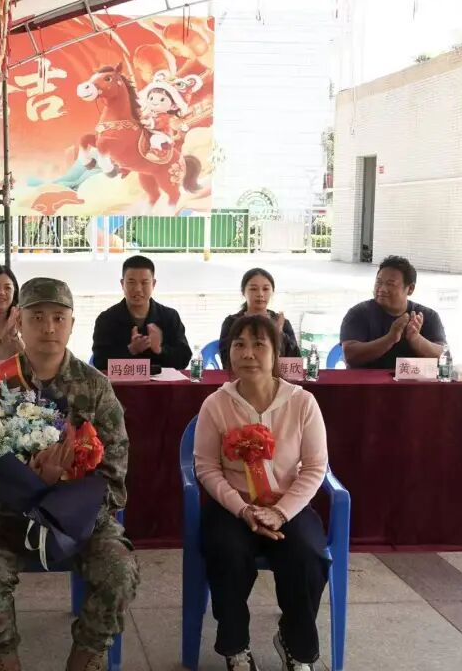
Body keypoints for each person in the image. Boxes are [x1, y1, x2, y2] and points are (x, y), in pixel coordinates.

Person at [0, 277, 140, 671]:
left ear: (72, 324)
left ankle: (84, 658)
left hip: (79, 518)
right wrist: (24, 478)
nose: (49, 327)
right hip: (9, 515)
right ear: (19, 323)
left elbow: (114, 470)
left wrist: (63, 486)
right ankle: (5, 663)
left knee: (120, 572)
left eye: (59, 317)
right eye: (37, 317)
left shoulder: (96, 388)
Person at [194, 315, 329, 671]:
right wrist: (242, 509)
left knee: (307, 556)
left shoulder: (303, 403)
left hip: (287, 506)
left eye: (258, 345)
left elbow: (315, 468)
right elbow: (206, 467)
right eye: (239, 345)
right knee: (227, 553)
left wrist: (281, 512)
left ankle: (295, 646)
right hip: (232, 507)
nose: (248, 354)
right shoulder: (216, 404)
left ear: (276, 353)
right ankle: (236, 647)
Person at [340, 255, 446, 370]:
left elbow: (443, 356)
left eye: (390, 284)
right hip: (366, 381)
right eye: (379, 282)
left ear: (410, 289)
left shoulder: (427, 316)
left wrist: (416, 339)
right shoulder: (358, 314)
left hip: (412, 381)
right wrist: (390, 338)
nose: (382, 289)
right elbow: (350, 355)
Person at [91, 255, 192, 371]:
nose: (138, 289)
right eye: (131, 282)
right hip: (120, 383)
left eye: (144, 282)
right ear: (122, 284)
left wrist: (159, 350)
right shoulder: (106, 319)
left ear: (153, 284)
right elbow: (99, 362)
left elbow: (184, 359)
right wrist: (131, 350)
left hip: (162, 382)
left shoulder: (170, 317)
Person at [219, 268, 301, 369]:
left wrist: (279, 333)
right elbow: (226, 362)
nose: (260, 294)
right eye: (253, 289)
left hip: (276, 377)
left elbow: (295, 363)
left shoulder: (282, 323)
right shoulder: (231, 323)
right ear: (243, 292)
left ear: (272, 292)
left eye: (265, 289)